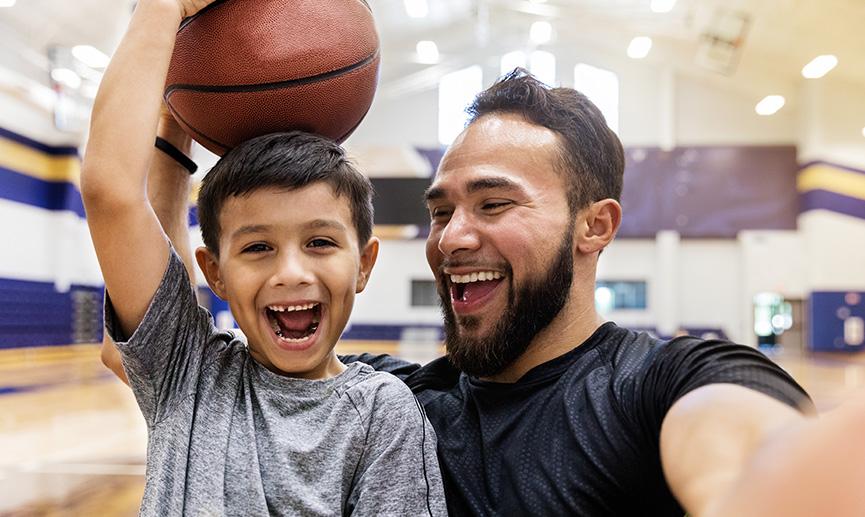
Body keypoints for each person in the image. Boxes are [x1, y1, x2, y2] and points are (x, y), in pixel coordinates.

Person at [102, 65, 865, 515]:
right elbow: (154, 341)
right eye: (441, 210)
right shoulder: (388, 396)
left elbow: (742, 452)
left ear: (593, 227)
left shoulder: (663, 383)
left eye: (493, 204)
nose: (453, 236)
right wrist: (177, 146)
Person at [81, 0, 446, 515]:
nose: (291, 273)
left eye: (320, 242)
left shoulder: (382, 415)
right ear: (215, 273)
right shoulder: (188, 373)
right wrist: (167, 13)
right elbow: (110, 190)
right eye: (257, 248)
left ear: (364, 263)